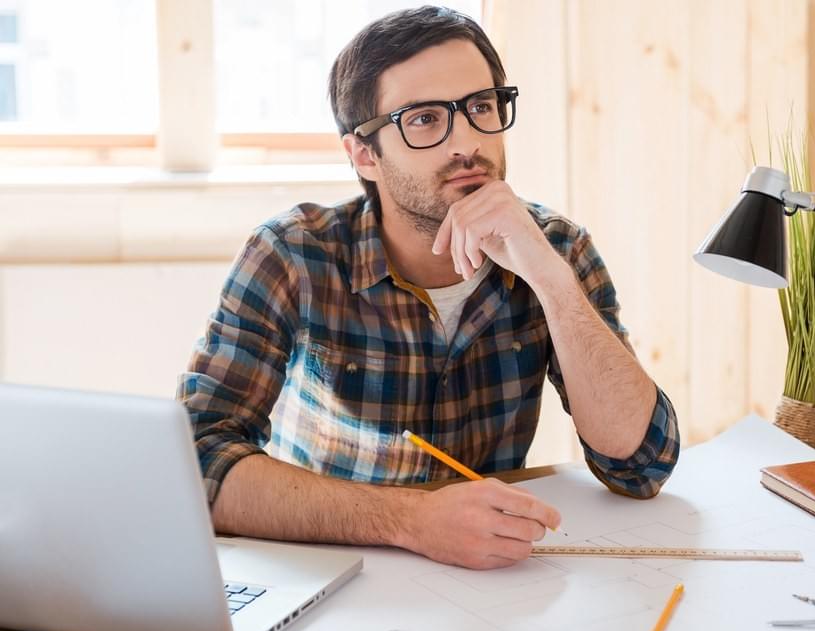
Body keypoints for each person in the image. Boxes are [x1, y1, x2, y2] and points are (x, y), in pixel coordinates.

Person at [178, 5, 679, 570]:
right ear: (364, 154)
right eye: (423, 119)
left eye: (481, 107)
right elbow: (194, 463)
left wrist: (552, 281)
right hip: (334, 576)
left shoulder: (557, 250)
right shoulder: (292, 254)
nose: (466, 142)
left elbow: (641, 466)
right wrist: (408, 520)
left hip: (490, 583)